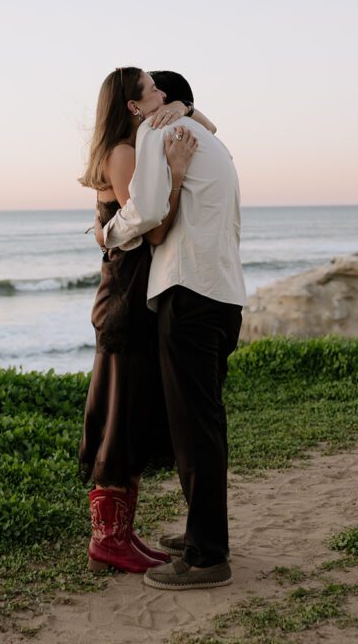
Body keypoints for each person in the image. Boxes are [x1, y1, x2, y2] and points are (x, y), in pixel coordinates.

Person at [101, 84, 247, 590]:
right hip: (225, 295)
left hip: (188, 292)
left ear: (148, 105)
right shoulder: (211, 142)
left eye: (157, 90)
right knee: (204, 424)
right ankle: (203, 536)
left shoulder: (153, 131)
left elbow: (145, 214)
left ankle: (208, 557)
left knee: (194, 430)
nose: (156, 96)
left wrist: (107, 234)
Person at [78, 67, 212, 574]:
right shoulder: (125, 152)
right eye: (154, 89)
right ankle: (108, 541)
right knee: (119, 417)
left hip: (130, 295)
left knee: (128, 415)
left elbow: (210, 130)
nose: (163, 93)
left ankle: (118, 537)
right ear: (133, 106)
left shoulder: (131, 142)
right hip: (126, 300)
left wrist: (185, 110)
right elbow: (153, 232)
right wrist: (176, 174)